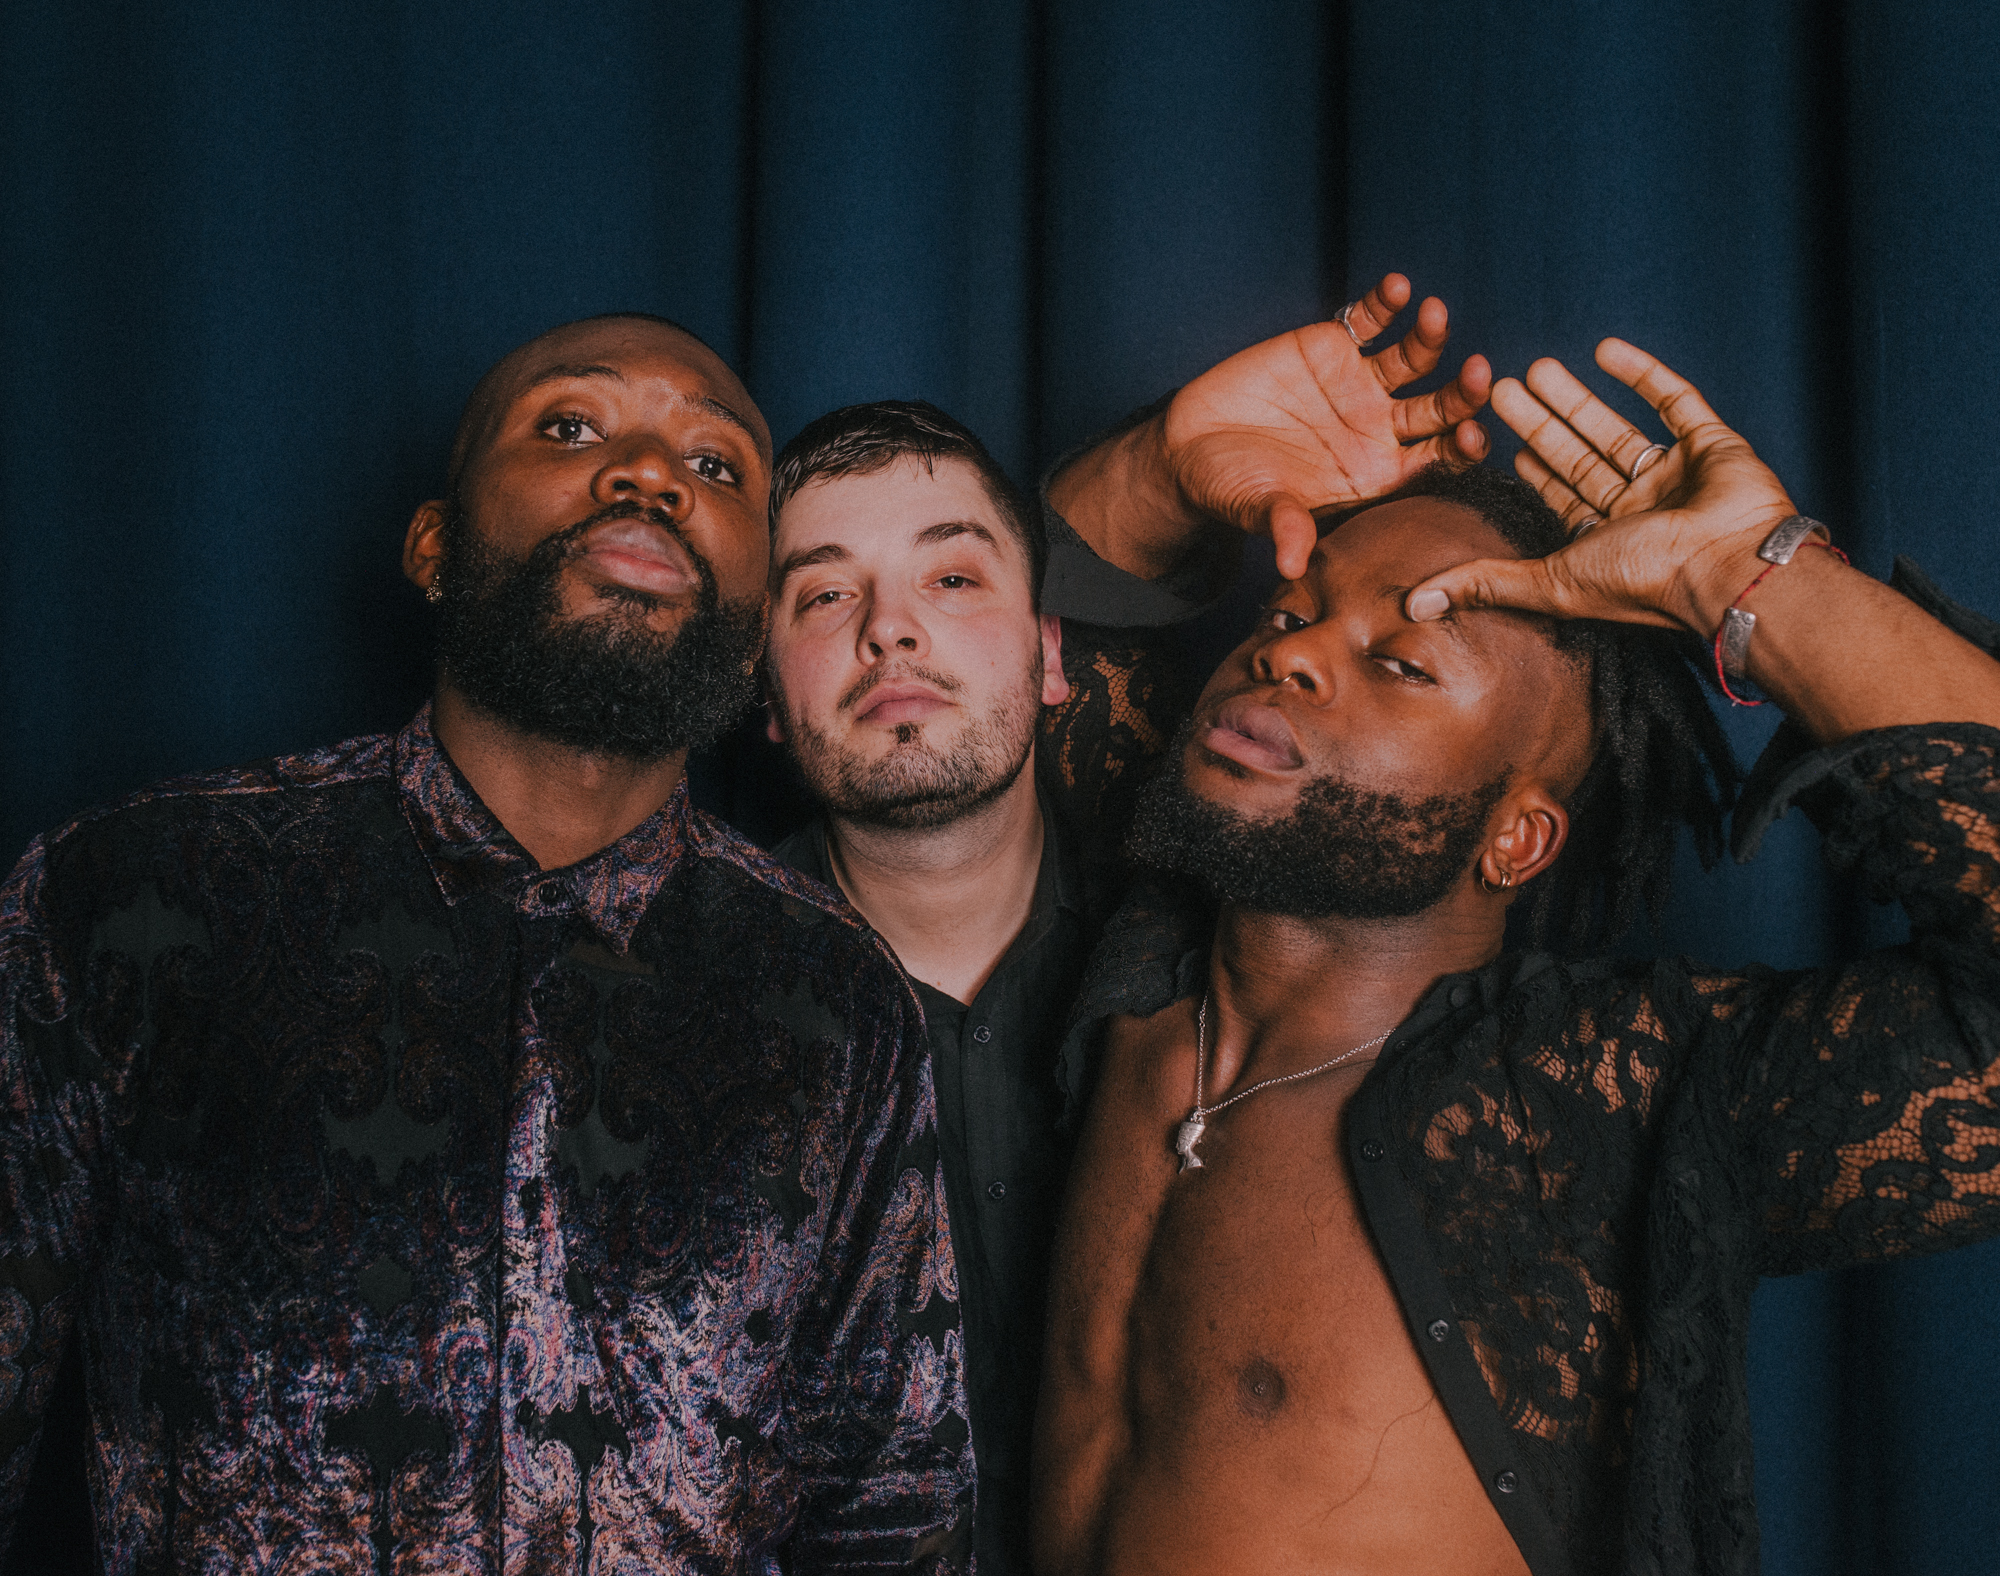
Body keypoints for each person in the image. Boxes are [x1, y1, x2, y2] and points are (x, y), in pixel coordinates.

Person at [0, 313, 973, 1572]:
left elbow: (893, 1512)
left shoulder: (837, 998)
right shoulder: (133, 899)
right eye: (571, 427)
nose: (649, 474)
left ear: (755, 616)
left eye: (717, 464)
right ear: (434, 545)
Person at [1031, 325, 2000, 1575]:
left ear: (1518, 836)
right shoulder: (1146, 947)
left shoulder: (1601, 1095)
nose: (1288, 650)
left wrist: (1749, 583)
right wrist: (1170, 465)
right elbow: (1029, 614)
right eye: (1289, 607)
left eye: (1399, 662)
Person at [758, 292, 1490, 1573]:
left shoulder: (1219, 963)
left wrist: (1156, 471)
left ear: (1052, 656)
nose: (893, 628)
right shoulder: (675, 992)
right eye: (823, 597)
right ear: (761, 696)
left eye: (950, 576)